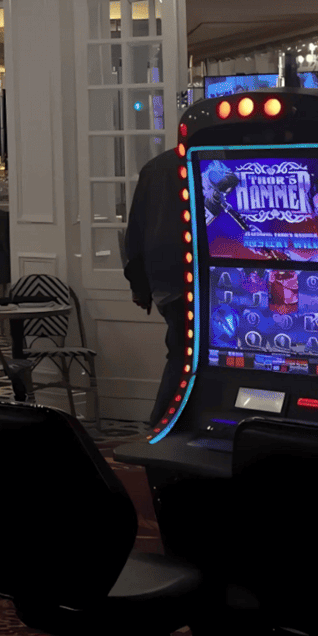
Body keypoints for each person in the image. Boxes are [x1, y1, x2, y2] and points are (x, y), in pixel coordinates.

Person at [123, 147, 186, 427]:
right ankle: (161, 425)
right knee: (186, 354)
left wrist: (140, 287)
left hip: (162, 277)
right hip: (196, 274)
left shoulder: (155, 166)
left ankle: (166, 425)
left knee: (181, 351)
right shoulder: (211, 159)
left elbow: (134, 232)